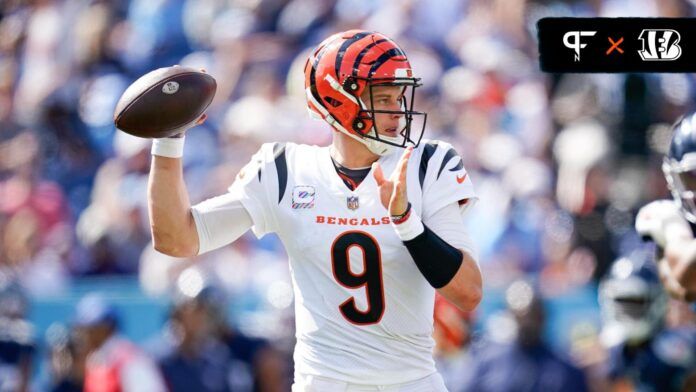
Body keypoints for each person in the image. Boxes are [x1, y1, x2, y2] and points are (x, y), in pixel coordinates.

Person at [148, 29, 482, 391]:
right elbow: (177, 240)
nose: (397, 110)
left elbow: (468, 292)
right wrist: (168, 141)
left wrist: (406, 222)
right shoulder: (286, 169)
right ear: (340, 100)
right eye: (383, 97)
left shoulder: (427, 164)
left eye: (399, 95)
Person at [458, 280, 588, 392]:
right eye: (521, 315)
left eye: (532, 316)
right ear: (510, 315)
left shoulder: (565, 371)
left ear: (543, 317)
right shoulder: (487, 363)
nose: (527, 322)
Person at [597, 251, 696, 391]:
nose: (626, 311)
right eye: (622, 301)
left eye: (635, 302)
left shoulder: (679, 346)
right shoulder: (611, 348)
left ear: (658, 301)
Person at [636, 112, 696, 303]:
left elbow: (686, 272)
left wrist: (673, 231)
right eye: (693, 177)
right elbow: (682, 288)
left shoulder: (675, 223)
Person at [74, 293, 166, 392]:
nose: (83, 335)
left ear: (105, 328)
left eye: (89, 329)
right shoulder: (95, 359)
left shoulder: (130, 359)